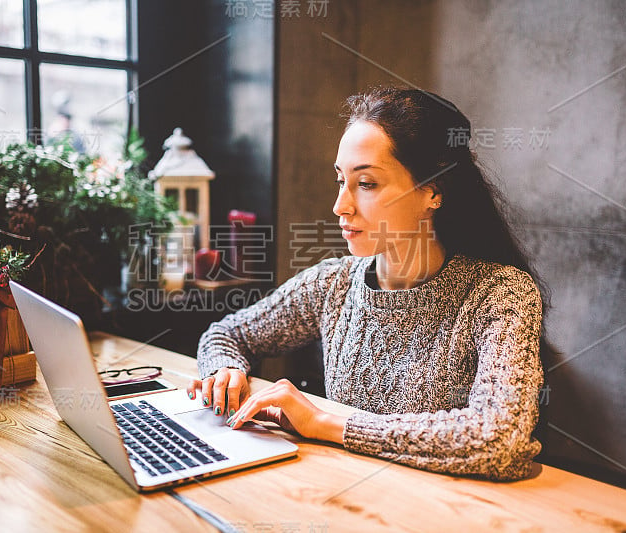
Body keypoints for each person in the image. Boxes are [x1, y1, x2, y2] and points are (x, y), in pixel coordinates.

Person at [188, 87, 545, 481]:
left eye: (368, 183)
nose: (341, 205)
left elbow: (499, 437)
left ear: (434, 191)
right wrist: (224, 371)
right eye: (341, 180)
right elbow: (227, 334)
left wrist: (323, 423)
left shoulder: (501, 294)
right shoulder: (334, 283)